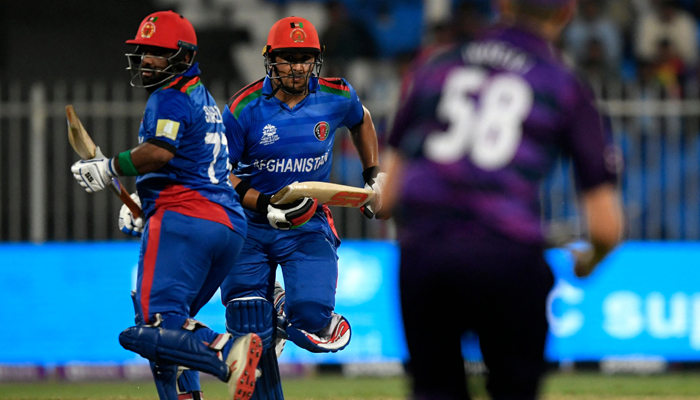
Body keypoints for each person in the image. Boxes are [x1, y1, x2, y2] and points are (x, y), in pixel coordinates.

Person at [379, 0, 624, 398]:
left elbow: (387, 198)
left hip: (427, 258)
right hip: (509, 258)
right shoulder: (562, 83)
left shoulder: (436, 67)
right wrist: (587, 263)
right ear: (567, 13)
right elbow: (606, 228)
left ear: (502, 5)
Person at [70, 11, 262, 400]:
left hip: (185, 218)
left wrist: (109, 168)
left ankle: (229, 351)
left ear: (184, 56)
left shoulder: (170, 96)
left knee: (148, 329)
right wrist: (145, 201)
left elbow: (159, 151)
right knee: (171, 326)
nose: (146, 60)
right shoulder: (202, 97)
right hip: (226, 226)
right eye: (143, 52)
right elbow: (192, 164)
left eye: (158, 52)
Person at [219, 16, 385, 399]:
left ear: (317, 59)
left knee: (313, 326)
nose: (297, 67)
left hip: (307, 224)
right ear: (270, 59)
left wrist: (374, 173)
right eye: (288, 58)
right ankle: (270, 310)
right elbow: (219, 172)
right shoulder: (244, 108)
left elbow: (362, 121)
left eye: (305, 58)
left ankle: (283, 310)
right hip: (249, 226)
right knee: (248, 326)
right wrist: (264, 202)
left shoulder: (337, 95)